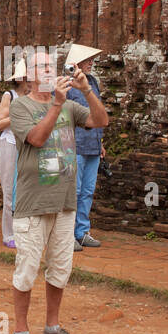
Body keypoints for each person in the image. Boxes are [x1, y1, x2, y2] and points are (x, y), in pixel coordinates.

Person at [7, 50, 109, 334]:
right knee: (26, 270)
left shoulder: (71, 105)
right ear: (31, 75)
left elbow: (101, 120)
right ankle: (20, 332)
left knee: (60, 269)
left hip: (65, 203)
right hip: (33, 203)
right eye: (42, 67)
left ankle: (52, 328)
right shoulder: (20, 106)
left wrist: (87, 89)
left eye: (53, 66)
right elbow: (37, 139)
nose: (50, 71)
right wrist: (56, 104)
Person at [65, 44, 106, 251]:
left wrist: (101, 142)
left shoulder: (92, 82)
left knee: (88, 191)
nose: (91, 63)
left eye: (91, 60)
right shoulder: (67, 85)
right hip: (75, 144)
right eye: (87, 60)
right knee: (74, 190)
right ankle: (67, 233)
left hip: (92, 144)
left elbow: (97, 113)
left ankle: (82, 231)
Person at [0, 61, 26, 248]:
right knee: (9, 187)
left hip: (28, 144)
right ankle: (9, 233)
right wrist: (17, 115)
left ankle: (24, 230)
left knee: (25, 188)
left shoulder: (34, 95)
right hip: (11, 143)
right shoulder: (10, 96)